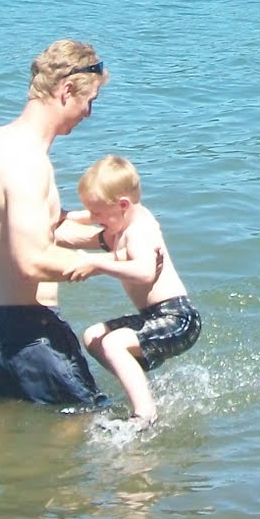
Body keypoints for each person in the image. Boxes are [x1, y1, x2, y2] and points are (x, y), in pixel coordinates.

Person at [0, 40, 111, 407]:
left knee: (3, 441)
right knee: (90, 430)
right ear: (66, 90)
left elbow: (38, 228)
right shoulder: (29, 161)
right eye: (88, 101)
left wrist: (109, 239)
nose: (88, 114)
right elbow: (31, 260)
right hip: (26, 335)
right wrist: (118, 266)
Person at [58, 154, 201, 428]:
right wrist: (65, 216)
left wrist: (96, 263)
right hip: (152, 315)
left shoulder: (140, 229)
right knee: (94, 337)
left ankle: (146, 415)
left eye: (98, 214)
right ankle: (141, 390)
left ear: (123, 205)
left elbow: (145, 271)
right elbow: (88, 214)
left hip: (177, 317)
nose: (95, 220)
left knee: (113, 343)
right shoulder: (123, 217)